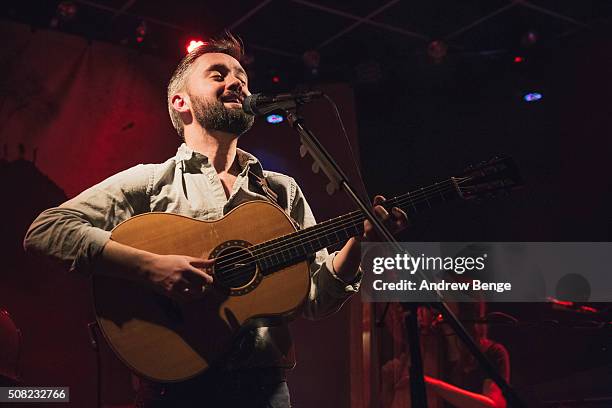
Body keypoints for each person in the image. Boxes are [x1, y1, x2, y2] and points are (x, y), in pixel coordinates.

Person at [23, 32, 408, 407]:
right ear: (180, 103)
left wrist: (360, 243)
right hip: (174, 389)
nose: (236, 83)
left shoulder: (281, 190)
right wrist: (150, 268)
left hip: (266, 389)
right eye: (218, 75)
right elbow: (46, 230)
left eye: (242, 77)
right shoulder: (152, 181)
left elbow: (316, 298)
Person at [381, 301, 510, 408]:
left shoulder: (492, 352)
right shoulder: (431, 347)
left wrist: (430, 383)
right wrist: (388, 386)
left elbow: (492, 405)